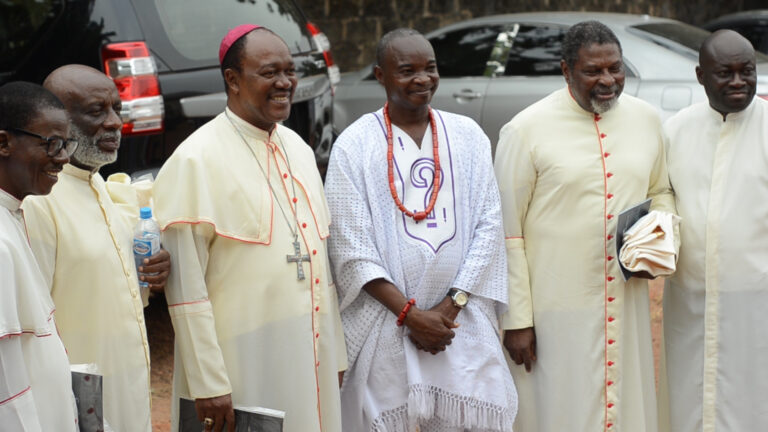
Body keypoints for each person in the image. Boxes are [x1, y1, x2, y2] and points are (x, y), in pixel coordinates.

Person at [152, 25, 346, 432]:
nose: (285, 83)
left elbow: (318, 262)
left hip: (309, 350)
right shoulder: (194, 161)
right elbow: (186, 290)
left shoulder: (299, 149)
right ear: (233, 80)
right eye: (269, 72)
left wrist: (335, 354)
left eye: (289, 72)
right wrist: (208, 382)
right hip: (241, 358)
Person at [326, 28, 518, 431]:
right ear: (380, 75)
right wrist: (410, 316)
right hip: (385, 322)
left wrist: (450, 307)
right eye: (407, 70)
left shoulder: (467, 136)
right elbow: (351, 246)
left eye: (430, 69)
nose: (422, 79)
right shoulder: (354, 145)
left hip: (458, 322)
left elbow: (488, 225)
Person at [494, 21, 676, 432]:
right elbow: (507, 232)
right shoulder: (525, 130)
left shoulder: (647, 120)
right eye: (593, 71)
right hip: (553, 308)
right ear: (566, 70)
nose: (607, 80)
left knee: (624, 406)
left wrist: (655, 242)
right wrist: (517, 318)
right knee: (558, 409)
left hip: (625, 302)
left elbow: (661, 190)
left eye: (615, 68)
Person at [21, 65, 170, 432]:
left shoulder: (98, 185)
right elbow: (32, 326)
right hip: (76, 402)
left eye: (116, 109)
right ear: (56, 121)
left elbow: (110, 289)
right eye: (95, 111)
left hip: (127, 387)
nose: (114, 122)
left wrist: (153, 277)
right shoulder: (40, 202)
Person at [659, 29, 768, 432]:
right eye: (726, 73)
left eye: (748, 71)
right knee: (690, 400)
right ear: (701, 75)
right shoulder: (675, 130)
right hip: (689, 302)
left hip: (758, 303)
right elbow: (661, 195)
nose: (739, 82)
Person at [0, 81, 79, 430]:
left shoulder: (13, 215)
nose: (63, 157)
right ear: (3, 142)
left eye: (66, 144)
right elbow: (6, 385)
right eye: (52, 144)